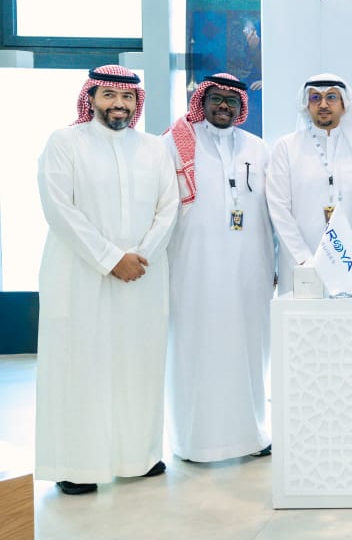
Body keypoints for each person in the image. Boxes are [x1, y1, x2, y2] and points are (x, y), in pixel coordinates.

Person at [35, 65, 179, 495]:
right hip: (80, 273)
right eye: (110, 96)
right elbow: (59, 208)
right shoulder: (64, 143)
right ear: (92, 99)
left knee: (139, 365)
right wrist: (112, 258)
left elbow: (168, 208)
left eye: (128, 97)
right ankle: (76, 465)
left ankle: (136, 456)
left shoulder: (154, 148)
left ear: (137, 103)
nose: (119, 104)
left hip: (142, 275)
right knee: (81, 366)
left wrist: (141, 256)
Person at [162, 73, 275, 463]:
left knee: (250, 348)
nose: (223, 106)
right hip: (193, 267)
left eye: (231, 100)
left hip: (250, 267)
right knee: (196, 346)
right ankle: (194, 440)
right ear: (202, 102)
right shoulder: (175, 144)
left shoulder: (258, 148)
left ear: (242, 107)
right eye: (216, 98)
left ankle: (252, 433)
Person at [267, 73, 352, 293]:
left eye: (331, 97)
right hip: (301, 263)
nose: (323, 104)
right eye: (315, 98)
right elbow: (279, 209)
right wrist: (304, 258)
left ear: (344, 104)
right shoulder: (286, 147)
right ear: (306, 105)